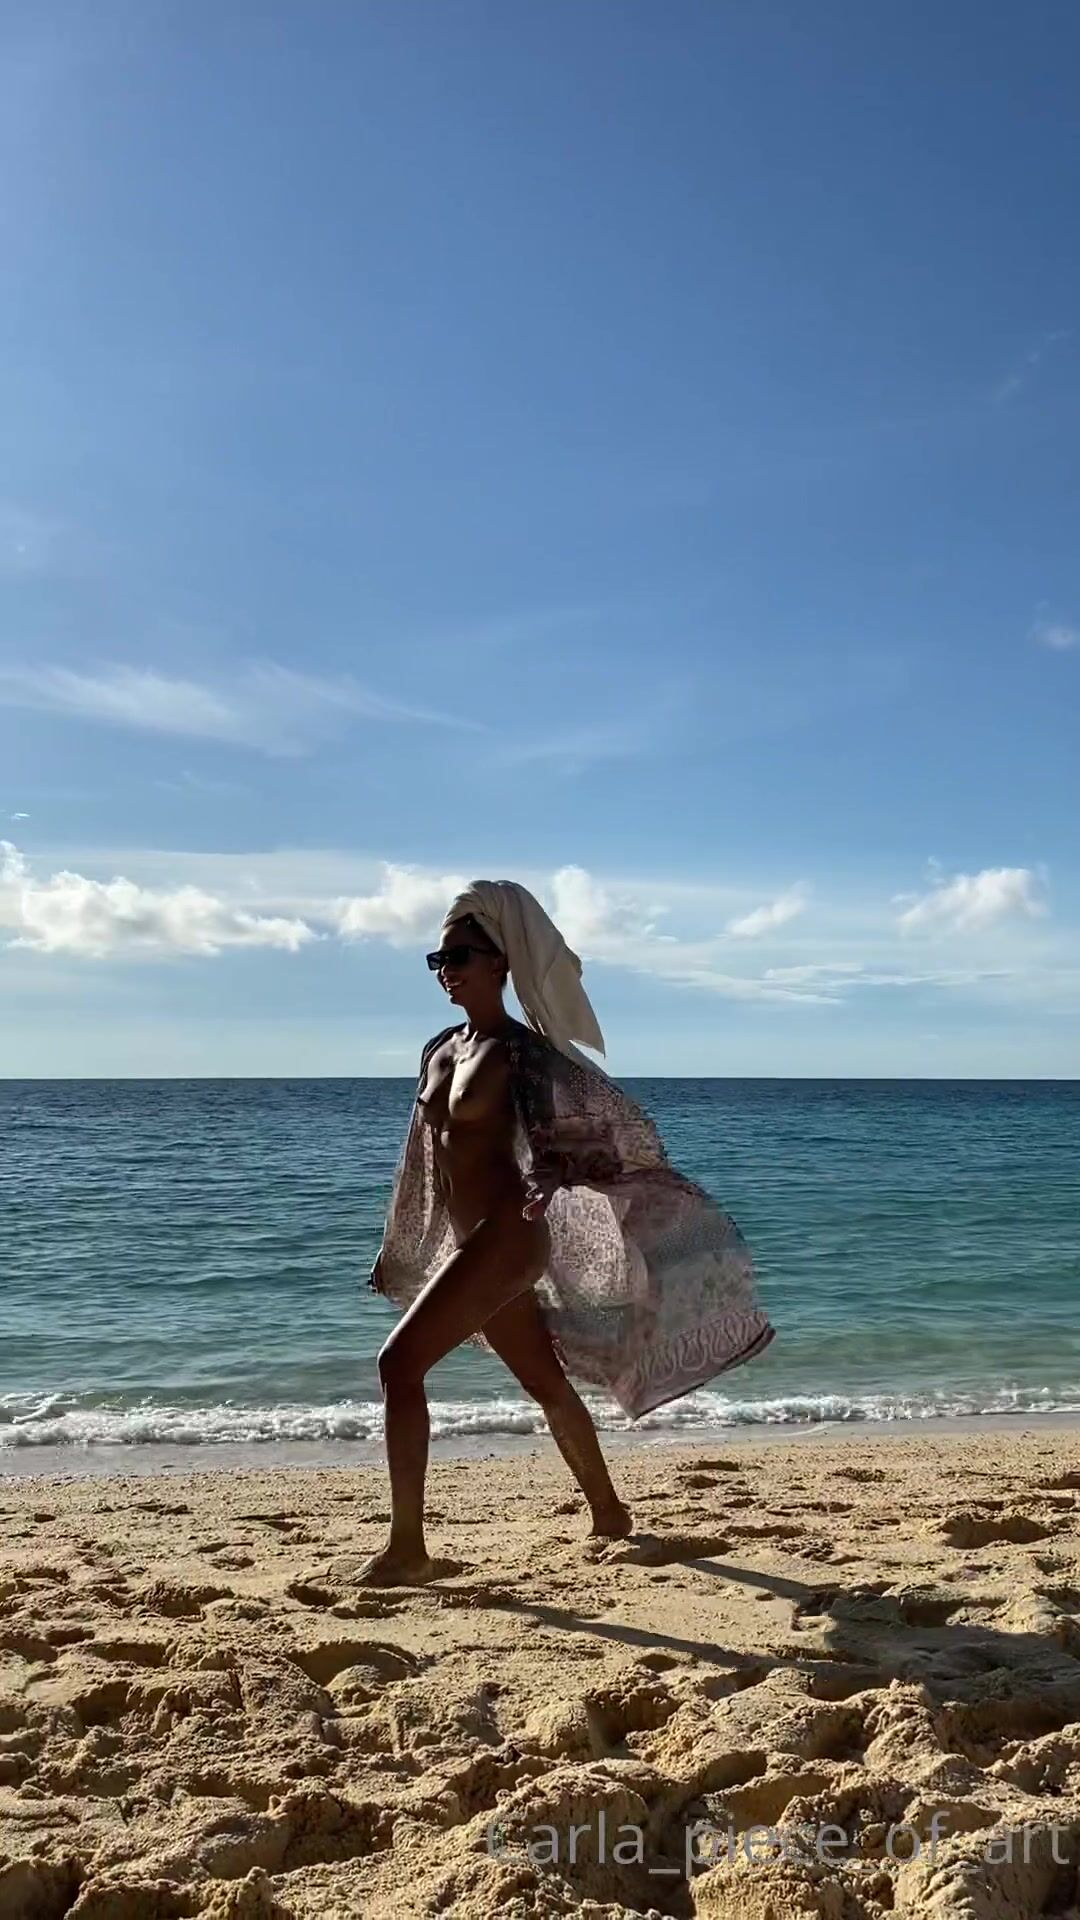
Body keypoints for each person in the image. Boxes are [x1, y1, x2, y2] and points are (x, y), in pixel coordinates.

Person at [363, 879, 774, 1587]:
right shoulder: (440, 1049)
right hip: (470, 1242)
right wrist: (403, 1243)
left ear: (501, 961)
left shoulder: (521, 1054)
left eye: (460, 956)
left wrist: (553, 1175)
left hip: (507, 1239)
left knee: (398, 1366)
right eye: (437, 959)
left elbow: (596, 1137)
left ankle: (408, 1549)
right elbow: (424, 1158)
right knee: (544, 1383)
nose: (446, 970)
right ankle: (610, 1513)